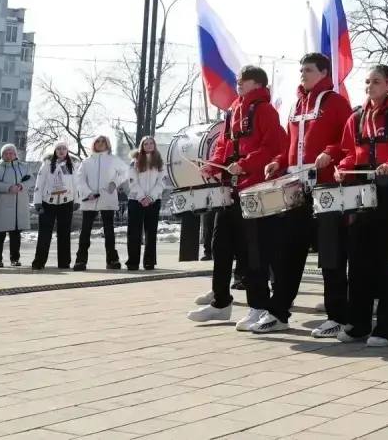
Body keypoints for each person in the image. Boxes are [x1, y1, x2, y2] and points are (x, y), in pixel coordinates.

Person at [250, 53, 352, 336]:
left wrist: (329, 154)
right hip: (296, 189)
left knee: (330, 255)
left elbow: (346, 142)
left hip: (326, 188)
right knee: (287, 253)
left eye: (308, 69)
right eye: (301, 70)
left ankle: (338, 316)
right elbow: (291, 144)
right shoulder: (296, 104)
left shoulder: (336, 102)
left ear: (324, 72)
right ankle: (278, 312)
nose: (303, 74)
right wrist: (279, 161)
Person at [188, 65, 287, 328]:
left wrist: (246, 164)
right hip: (230, 189)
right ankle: (221, 302)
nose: (237, 84)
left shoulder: (266, 111)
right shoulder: (233, 109)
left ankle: (258, 305)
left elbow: (272, 147)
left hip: (254, 189)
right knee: (220, 246)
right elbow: (223, 145)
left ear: (257, 84)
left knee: (253, 252)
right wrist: (212, 165)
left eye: (242, 81)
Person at [332, 64, 388, 345]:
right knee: (358, 259)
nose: (370, 86)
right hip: (360, 191)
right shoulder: (356, 116)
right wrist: (342, 168)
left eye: (376, 81)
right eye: (368, 81)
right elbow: (349, 151)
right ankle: (358, 324)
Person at [74, 135, 127, 271]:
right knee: (85, 231)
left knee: (109, 231)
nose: (101, 143)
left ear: (108, 144)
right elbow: (79, 180)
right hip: (90, 200)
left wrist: (114, 183)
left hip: (107, 197)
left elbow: (126, 172)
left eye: (104, 141)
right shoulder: (86, 162)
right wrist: (87, 193)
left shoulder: (113, 160)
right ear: (94, 144)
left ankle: (112, 260)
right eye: (98, 141)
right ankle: (80, 261)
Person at [32, 143, 77, 270]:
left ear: (67, 151)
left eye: (64, 149)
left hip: (66, 202)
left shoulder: (72, 165)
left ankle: (64, 262)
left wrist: (77, 200)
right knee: (44, 234)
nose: (61, 151)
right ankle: (39, 261)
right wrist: (37, 202)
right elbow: (39, 184)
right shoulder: (46, 165)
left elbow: (76, 184)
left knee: (64, 233)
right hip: (48, 202)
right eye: (59, 149)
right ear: (55, 151)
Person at [126, 136, 165, 271]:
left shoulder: (159, 162)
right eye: (145, 144)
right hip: (136, 201)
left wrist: (151, 197)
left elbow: (161, 182)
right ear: (141, 146)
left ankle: (149, 262)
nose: (148, 145)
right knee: (134, 232)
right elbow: (132, 181)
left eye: (151, 143)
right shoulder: (135, 161)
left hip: (153, 201)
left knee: (151, 233)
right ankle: (133, 262)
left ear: (154, 145)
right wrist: (142, 197)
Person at [0, 143, 30, 267]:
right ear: (2, 155)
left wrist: (21, 186)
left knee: (16, 235)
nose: (8, 155)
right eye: (6, 153)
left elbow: (31, 179)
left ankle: (15, 259)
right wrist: (8, 188)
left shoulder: (24, 167)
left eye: (11, 152)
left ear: (15, 154)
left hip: (18, 205)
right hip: (2, 204)